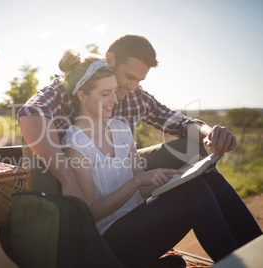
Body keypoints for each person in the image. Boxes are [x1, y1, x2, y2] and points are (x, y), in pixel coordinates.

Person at [58, 49, 262, 266]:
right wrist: (137, 181)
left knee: (206, 178)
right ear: (83, 96)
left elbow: (142, 192)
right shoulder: (75, 144)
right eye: (105, 93)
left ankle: (257, 254)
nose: (114, 100)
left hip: (140, 224)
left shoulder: (120, 129)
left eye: (114, 91)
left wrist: (176, 178)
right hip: (109, 241)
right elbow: (91, 212)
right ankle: (238, 265)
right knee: (195, 190)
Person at [17, 34, 237, 198]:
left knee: (192, 151)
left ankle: (249, 244)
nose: (132, 87)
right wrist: (70, 182)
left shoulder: (136, 96)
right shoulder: (71, 86)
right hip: (77, 179)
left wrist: (211, 133)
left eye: (139, 81)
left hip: (122, 169)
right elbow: (30, 114)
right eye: (129, 76)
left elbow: (179, 122)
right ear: (110, 59)